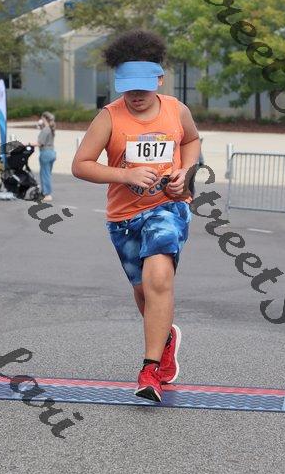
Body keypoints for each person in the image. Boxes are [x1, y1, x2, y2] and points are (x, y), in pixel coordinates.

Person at [72, 30, 201, 402]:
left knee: (158, 278)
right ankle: (165, 338)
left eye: (143, 86)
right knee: (145, 292)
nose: (136, 94)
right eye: (128, 87)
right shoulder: (109, 117)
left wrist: (185, 172)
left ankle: (149, 370)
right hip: (124, 218)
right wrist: (125, 175)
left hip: (168, 207)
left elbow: (191, 140)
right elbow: (81, 165)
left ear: (159, 80)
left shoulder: (177, 109)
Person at [36, 111, 56, 202]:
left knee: (44, 174)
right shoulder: (50, 129)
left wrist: (27, 144)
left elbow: (40, 143)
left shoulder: (46, 130)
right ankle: (46, 192)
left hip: (45, 153)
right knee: (47, 173)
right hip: (52, 152)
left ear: (44, 119)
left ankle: (47, 194)